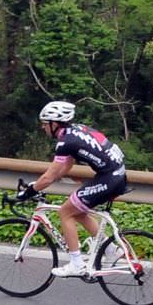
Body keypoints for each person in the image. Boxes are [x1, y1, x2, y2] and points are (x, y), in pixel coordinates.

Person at [27, 101, 130, 279]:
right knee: (78, 210)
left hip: (109, 178)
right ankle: (111, 250)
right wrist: (47, 181)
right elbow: (66, 165)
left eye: (45, 124)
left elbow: (49, 176)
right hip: (116, 175)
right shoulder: (76, 131)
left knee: (66, 212)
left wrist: (30, 191)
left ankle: (76, 264)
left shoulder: (65, 141)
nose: (43, 127)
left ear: (55, 123)